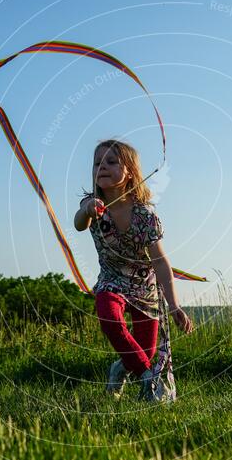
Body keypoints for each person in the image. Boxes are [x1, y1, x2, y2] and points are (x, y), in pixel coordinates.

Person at [74, 139, 193, 402]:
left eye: (111, 161)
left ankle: (121, 369)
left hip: (145, 287)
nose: (102, 166)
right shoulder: (92, 205)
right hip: (112, 280)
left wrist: (174, 305)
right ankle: (149, 380)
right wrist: (86, 210)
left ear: (130, 172)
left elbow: (161, 261)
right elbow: (79, 224)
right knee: (108, 315)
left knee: (146, 349)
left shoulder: (145, 216)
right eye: (97, 162)